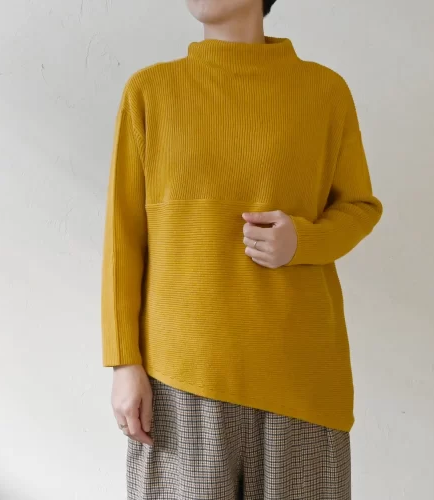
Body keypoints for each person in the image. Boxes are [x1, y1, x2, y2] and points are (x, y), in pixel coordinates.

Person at [101, 0, 383, 498]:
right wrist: (124, 362)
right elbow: (123, 238)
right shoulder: (149, 91)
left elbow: (360, 206)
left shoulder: (325, 91)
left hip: (300, 380)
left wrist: (303, 240)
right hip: (180, 377)